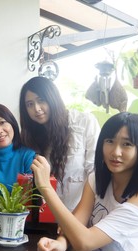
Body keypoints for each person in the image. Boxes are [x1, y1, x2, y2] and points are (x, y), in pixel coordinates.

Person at [33, 112, 138, 251]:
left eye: (127, 144)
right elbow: (76, 223)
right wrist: (61, 244)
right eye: (109, 141)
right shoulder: (97, 180)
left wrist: (45, 187)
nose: (115, 152)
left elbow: (85, 242)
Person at [19, 76, 100, 212]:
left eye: (41, 100)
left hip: (82, 215)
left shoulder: (84, 122)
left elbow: (95, 173)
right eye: (30, 104)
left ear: (53, 98)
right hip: (48, 217)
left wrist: (78, 216)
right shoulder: (30, 138)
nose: (37, 109)